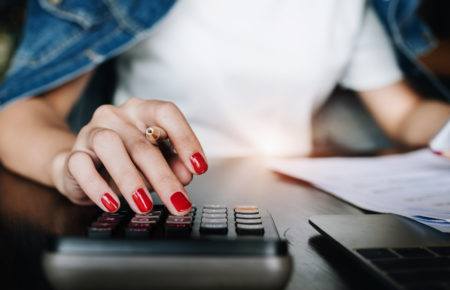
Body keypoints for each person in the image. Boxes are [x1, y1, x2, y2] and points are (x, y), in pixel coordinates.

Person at [0, 0, 449, 216]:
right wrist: (69, 164)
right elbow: (18, 112)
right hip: (152, 201)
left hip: (300, 203)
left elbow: (405, 114)